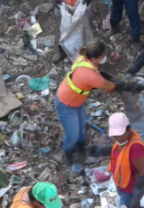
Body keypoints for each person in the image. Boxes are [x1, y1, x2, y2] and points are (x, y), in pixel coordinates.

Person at [56, 40, 132, 170]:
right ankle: (67, 153)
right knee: (72, 135)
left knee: (81, 129)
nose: (105, 58)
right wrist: (127, 86)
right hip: (66, 104)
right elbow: (110, 87)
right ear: (94, 59)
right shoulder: (90, 75)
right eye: (103, 56)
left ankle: (81, 148)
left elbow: (100, 76)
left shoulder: (82, 59)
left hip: (77, 100)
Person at [88, 112, 144, 208]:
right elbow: (118, 153)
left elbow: (143, 175)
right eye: (115, 135)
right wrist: (102, 151)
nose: (117, 138)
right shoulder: (122, 141)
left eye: (120, 134)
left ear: (128, 129)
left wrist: (136, 198)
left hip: (130, 189)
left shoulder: (136, 147)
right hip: (121, 185)